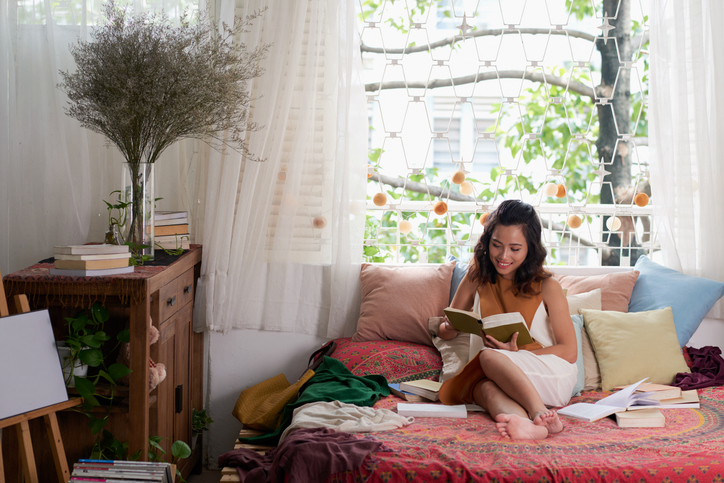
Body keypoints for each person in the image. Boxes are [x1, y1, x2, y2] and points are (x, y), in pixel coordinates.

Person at [437, 199, 577, 440]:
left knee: (489, 357)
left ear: (530, 248)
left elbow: (569, 351)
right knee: (483, 389)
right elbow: (444, 331)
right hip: (493, 374)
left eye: (515, 248)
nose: (503, 256)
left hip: (549, 373)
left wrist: (515, 356)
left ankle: (540, 412)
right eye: (496, 245)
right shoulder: (475, 278)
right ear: (487, 241)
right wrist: (450, 327)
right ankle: (530, 426)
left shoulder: (547, 286)